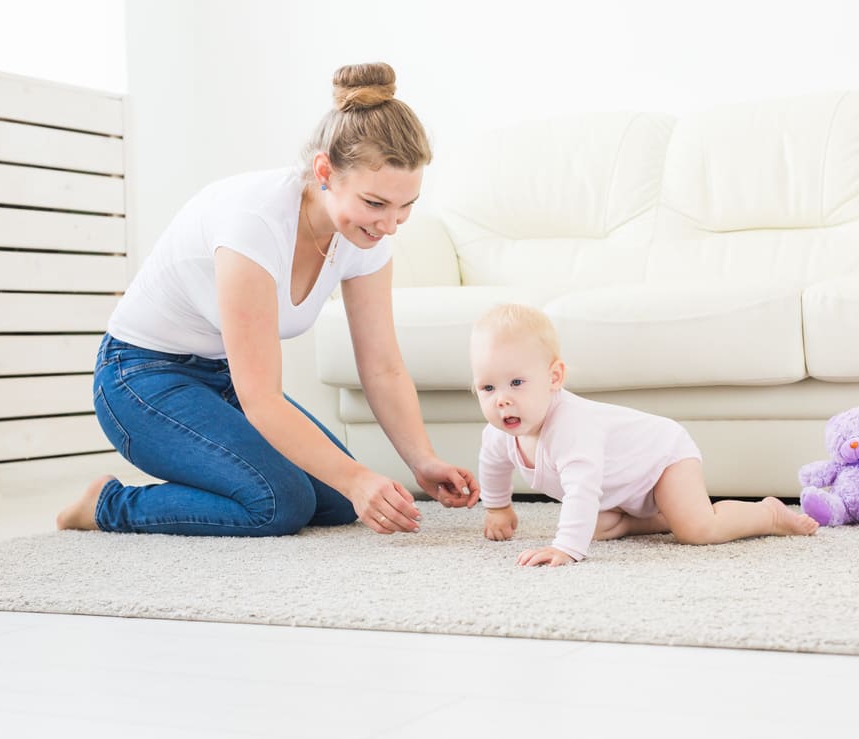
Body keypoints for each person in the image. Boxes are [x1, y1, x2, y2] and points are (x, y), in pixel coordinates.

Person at [57, 62, 479, 536]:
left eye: (406, 206)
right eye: (375, 203)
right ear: (325, 171)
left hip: (221, 378)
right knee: (279, 504)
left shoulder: (367, 239)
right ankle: (107, 505)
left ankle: (229, 480)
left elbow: (382, 364)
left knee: (342, 499)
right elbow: (261, 399)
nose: (389, 224)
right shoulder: (254, 224)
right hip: (140, 378)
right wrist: (360, 477)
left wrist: (421, 460)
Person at [470, 304, 819, 566]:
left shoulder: (571, 427)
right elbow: (493, 466)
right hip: (621, 488)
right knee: (592, 525)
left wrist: (565, 549)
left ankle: (767, 514)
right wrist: (498, 508)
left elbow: (582, 488)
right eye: (488, 387)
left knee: (696, 530)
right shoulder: (499, 434)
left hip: (662, 458)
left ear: (554, 378)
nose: (502, 399)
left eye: (516, 382)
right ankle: (661, 516)